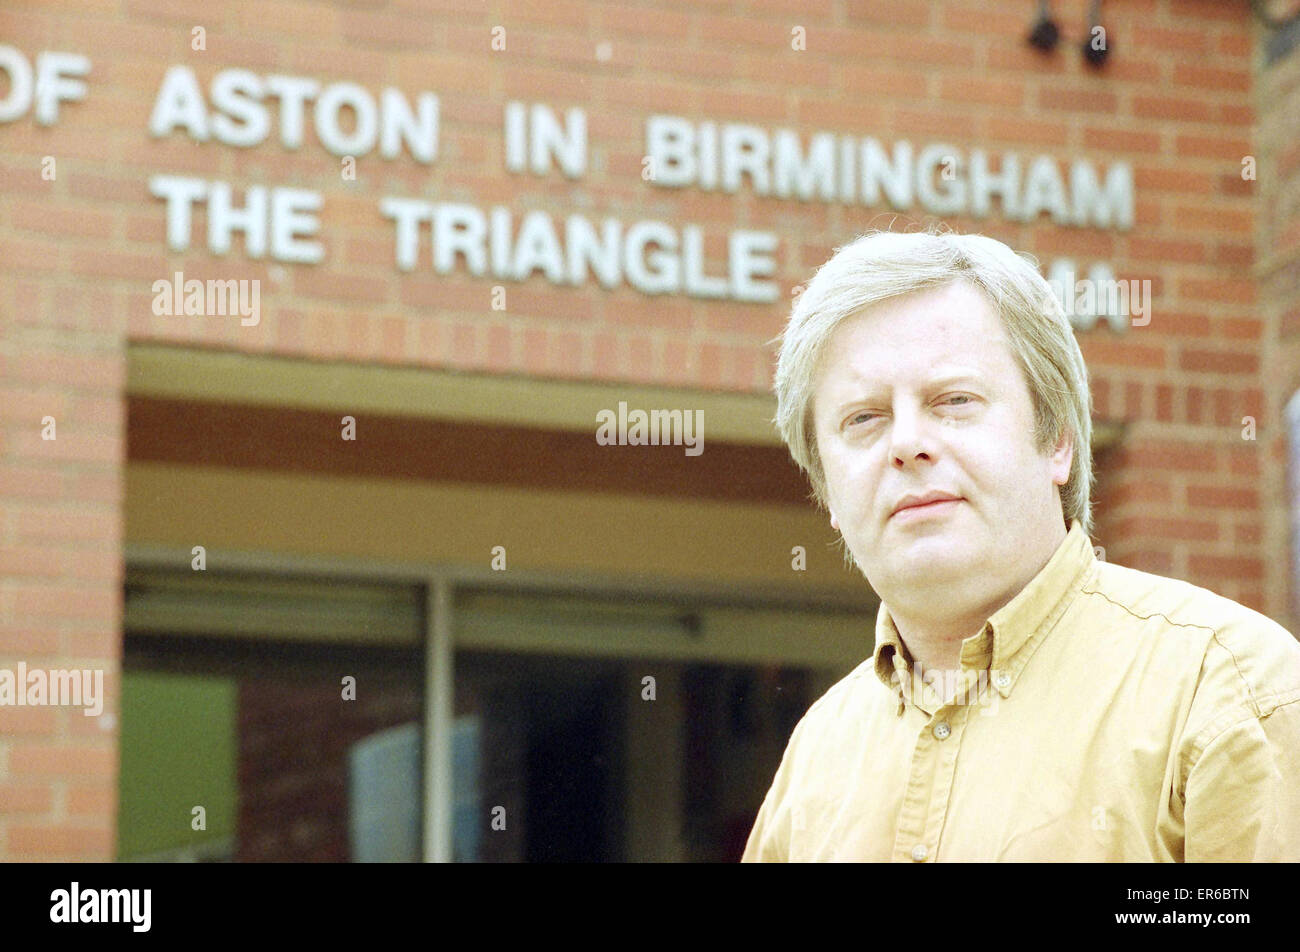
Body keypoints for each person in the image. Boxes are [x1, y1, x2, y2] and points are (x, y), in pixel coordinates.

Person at [742, 228, 1300, 862]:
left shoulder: (1226, 691)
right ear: (827, 493)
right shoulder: (817, 755)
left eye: (954, 401)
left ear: (1056, 441)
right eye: (863, 418)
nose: (905, 443)